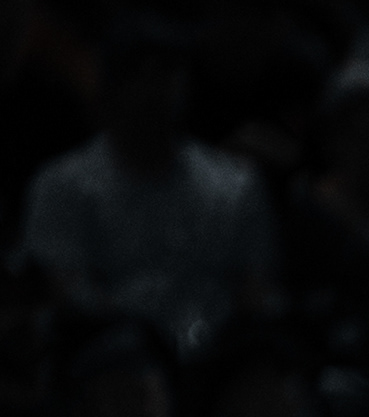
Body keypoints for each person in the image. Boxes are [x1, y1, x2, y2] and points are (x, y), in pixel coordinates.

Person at [16, 18, 274, 362]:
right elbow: (61, 292)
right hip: (106, 362)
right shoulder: (63, 185)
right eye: (143, 74)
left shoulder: (234, 185)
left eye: (170, 73)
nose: (159, 90)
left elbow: (256, 288)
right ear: (112, 86)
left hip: (219, 363)